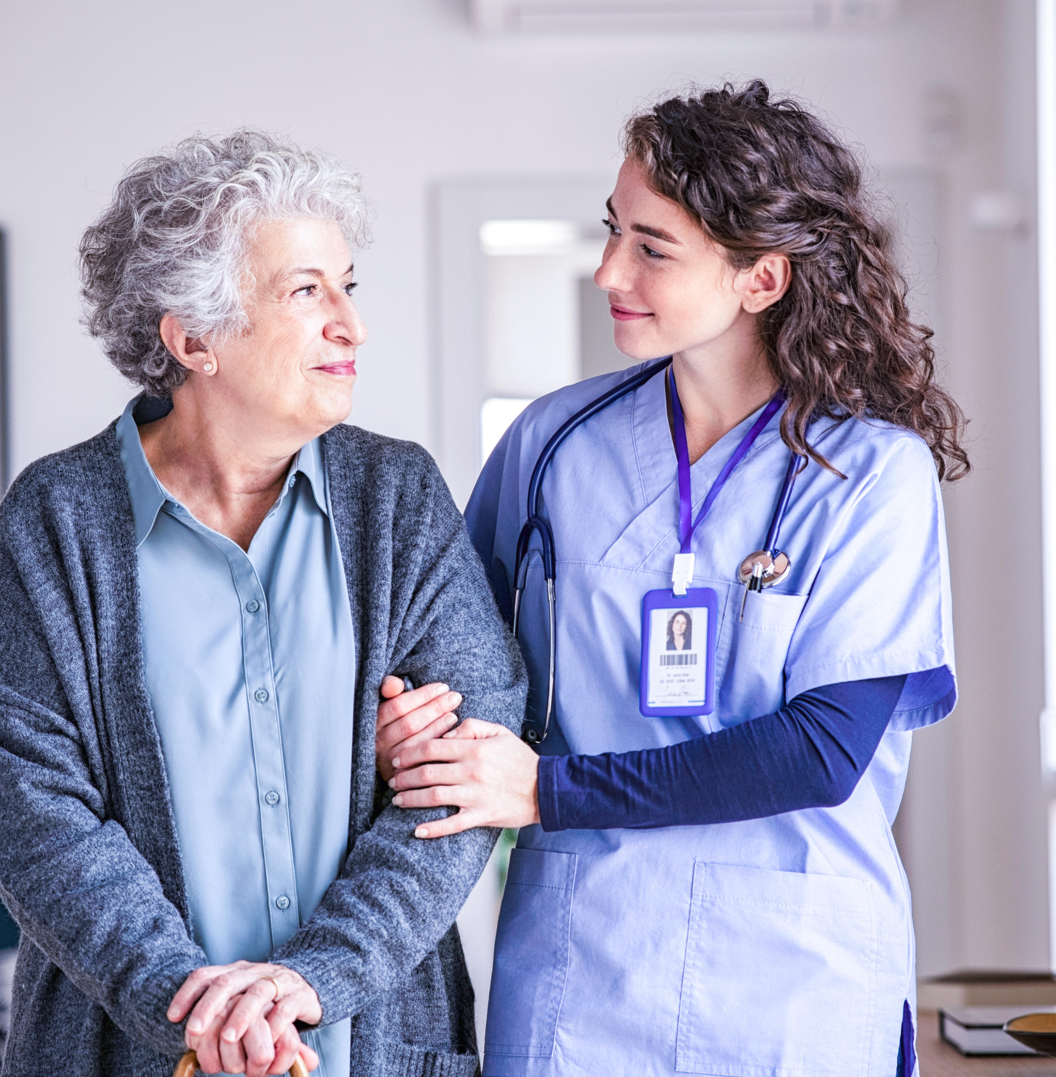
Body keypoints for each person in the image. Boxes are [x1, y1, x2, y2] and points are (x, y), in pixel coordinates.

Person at [377, 82, 966, 1076]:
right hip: (583, 969)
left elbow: (822, 751)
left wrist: (546, 790)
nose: (608, 269)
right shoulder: (551, 445)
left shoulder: (870, 474)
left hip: (793, 981)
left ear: (761, 278)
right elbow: (452, 658)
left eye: (653, 248)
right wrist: (412, 723)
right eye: (614, 231)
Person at [0, 131, 524, 1077]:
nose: (352, 325)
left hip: (373, 1046)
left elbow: (466, 771)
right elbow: (36, 814)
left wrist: (312, 979)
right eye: (306, 292)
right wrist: (195, 1008)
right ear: (192, 339)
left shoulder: (397, 498)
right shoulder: (56, 520)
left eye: (348, 286)